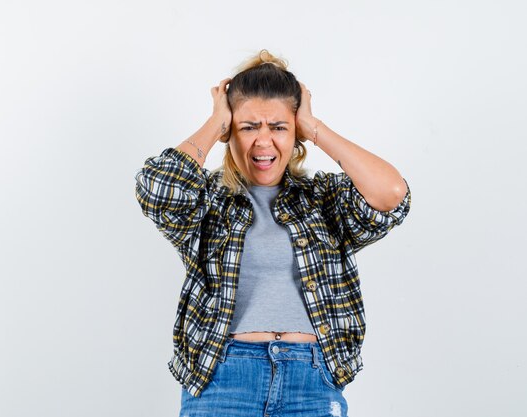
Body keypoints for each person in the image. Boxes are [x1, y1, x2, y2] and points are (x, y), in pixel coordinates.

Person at [135, 50, 411, 417]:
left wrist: (313, 127)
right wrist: (216, 120)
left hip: (310, 382)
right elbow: (158, 189)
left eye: (278, 127)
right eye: (248, 127)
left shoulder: (322, 199)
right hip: (224, 379)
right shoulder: (208, 200)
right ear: (229, 131)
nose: (263, 141)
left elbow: (391, 195)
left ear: (294, 133)